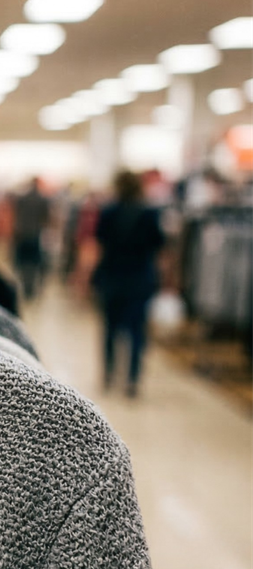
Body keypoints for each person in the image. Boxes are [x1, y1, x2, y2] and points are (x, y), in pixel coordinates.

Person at [92, 170, 165, 398]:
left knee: (110, 329)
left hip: (112, 276)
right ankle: (132, 379)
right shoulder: (150, 213)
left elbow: (99, 243)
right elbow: (159, 247)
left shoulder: (108, 212)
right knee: (136, 331)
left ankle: (109, 374)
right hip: (140, 278)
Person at [12, 178, 50, 300]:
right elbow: (46, 217)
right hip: (35, 234)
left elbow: (16, 215)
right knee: (33, 263)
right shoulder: (42, 199)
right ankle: (30, 288)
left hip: (22, 234)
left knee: (22, 262)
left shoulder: (22, 198)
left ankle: (25, 285)